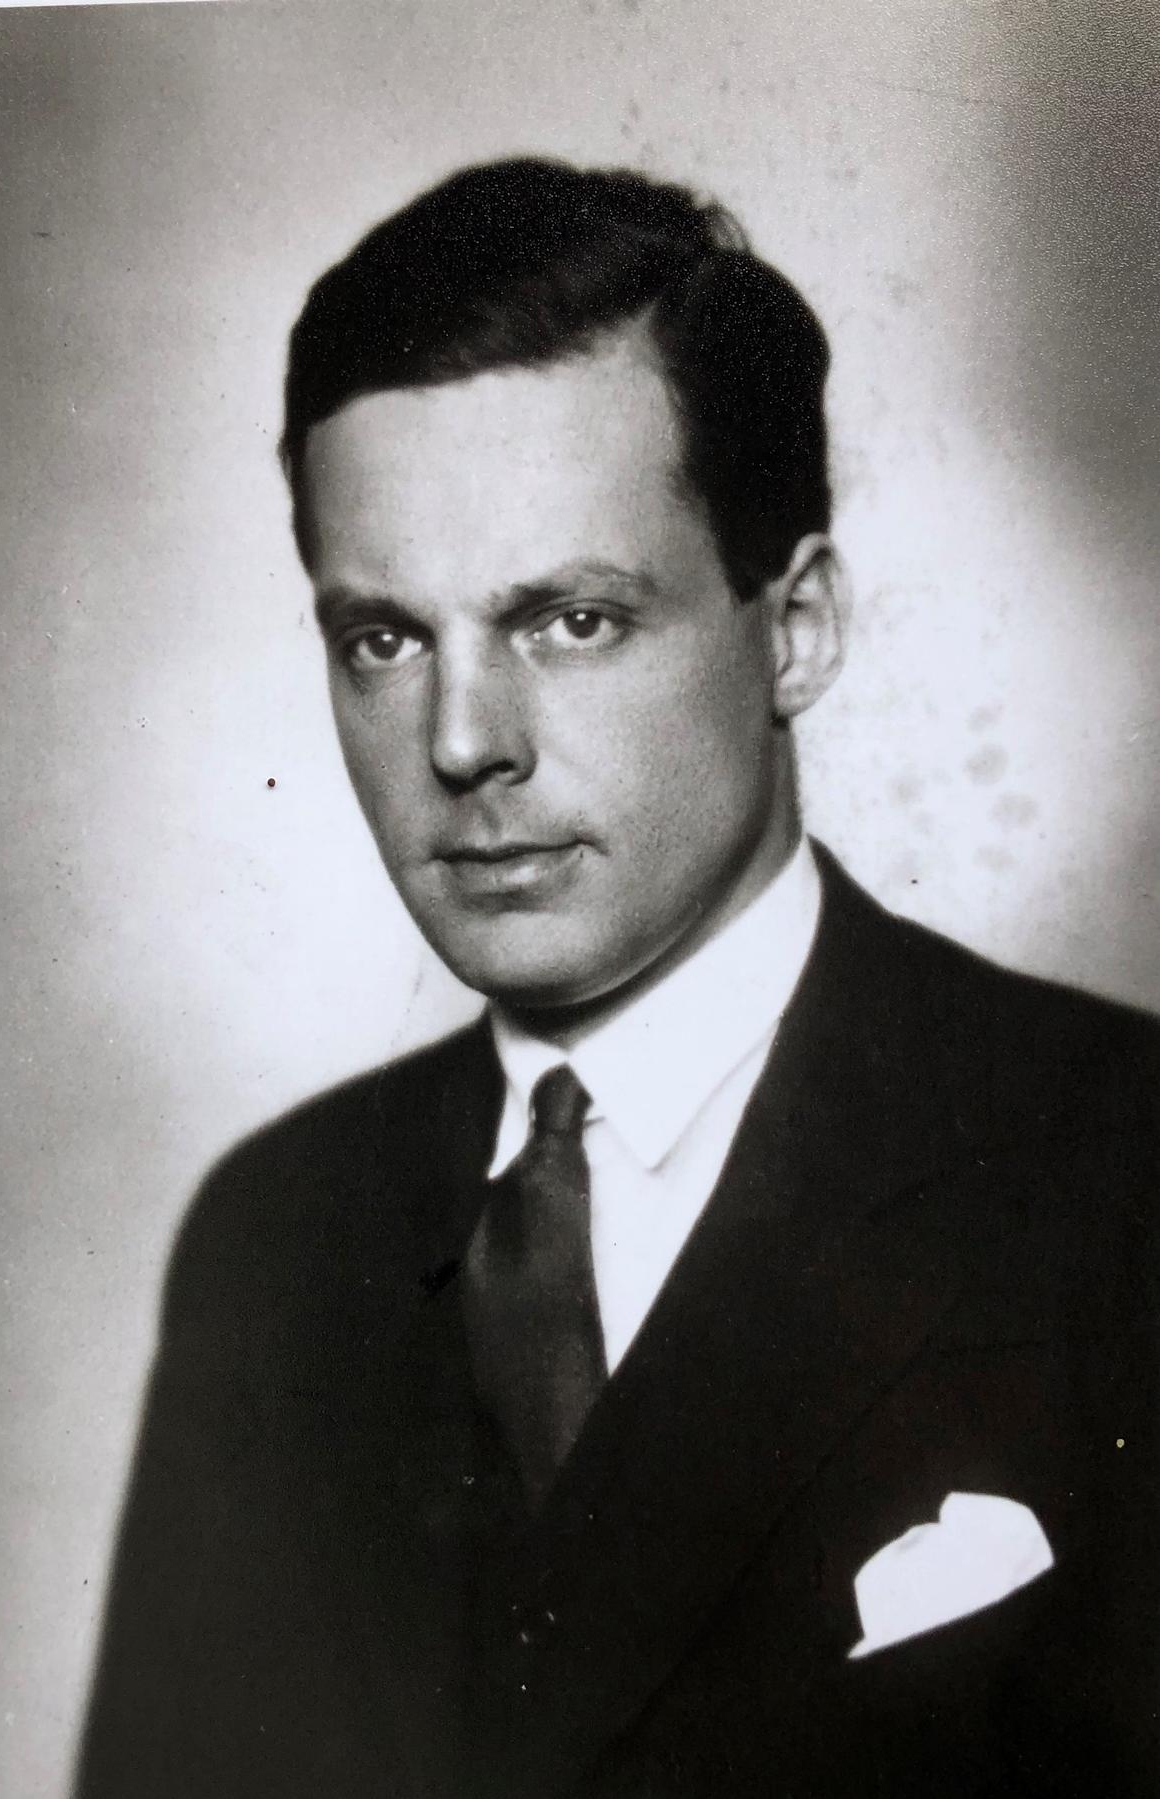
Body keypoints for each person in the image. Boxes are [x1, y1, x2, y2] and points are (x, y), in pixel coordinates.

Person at [75, 158, 1160, 1798]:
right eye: (383, 639)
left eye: (570, 621)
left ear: (793, 628)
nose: (461, 742)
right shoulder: (272, 1242)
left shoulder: (1119, 1169)